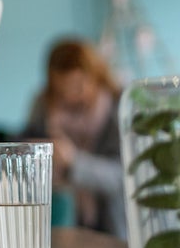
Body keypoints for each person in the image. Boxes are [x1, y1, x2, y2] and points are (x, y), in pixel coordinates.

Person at [24, 37, 125, 237]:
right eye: (63, 88)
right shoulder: (43, 105)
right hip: (61, 219)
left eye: (78, 85)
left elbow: (120, 176)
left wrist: (73, 161)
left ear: (94, 75)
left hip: (112, 224)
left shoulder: (117, 105)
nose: (71, 95)